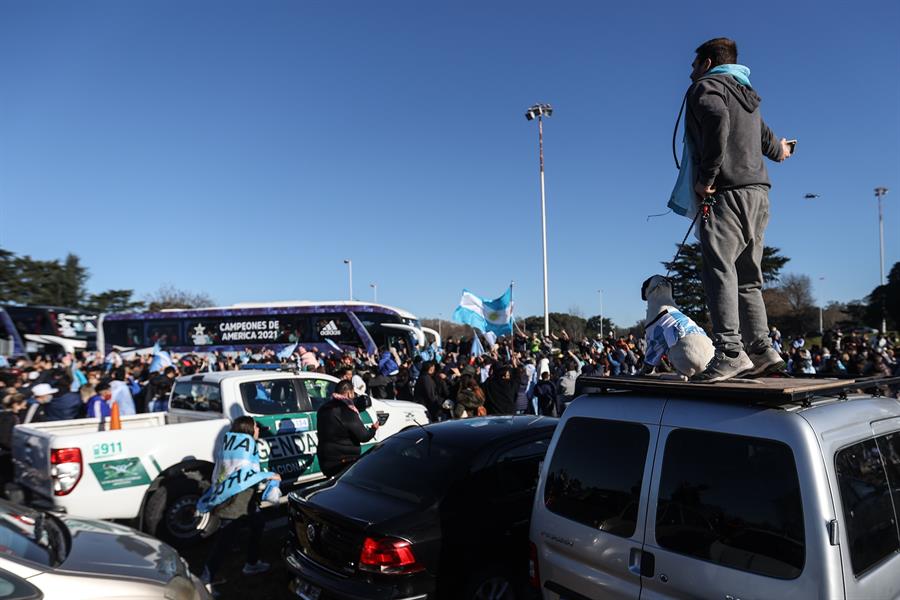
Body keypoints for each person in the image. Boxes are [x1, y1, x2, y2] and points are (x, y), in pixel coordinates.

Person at [685, 37, 794, 382]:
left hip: (726, 192)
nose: (689, 71)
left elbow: (716, 118)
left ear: (706, 62)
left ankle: (731, 352)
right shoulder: (747, 95)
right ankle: (761, 349)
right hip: (759, 193)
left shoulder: (707, 87)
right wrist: (782, 151)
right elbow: (769, 144)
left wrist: (706, 178)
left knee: (720, 270)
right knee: (748, 277)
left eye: (693, 64)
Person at [198, 416, 281, 591]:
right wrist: (268, 476)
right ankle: (205, 581)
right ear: (249, 430)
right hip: (236, 499)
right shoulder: (246, 446)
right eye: (257, 428)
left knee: (258, 523)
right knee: (224, 540)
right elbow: (245, 474)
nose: (258, 431)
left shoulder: (229, 443)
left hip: (237, 497)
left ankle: (251, 563)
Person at [316, 380, 379, 477]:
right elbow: (363, 436)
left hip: (325, 459)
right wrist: (373, 429)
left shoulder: (323, 408)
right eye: (353, 393)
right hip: (343, 461)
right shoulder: (346, 410)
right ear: (349, 393)